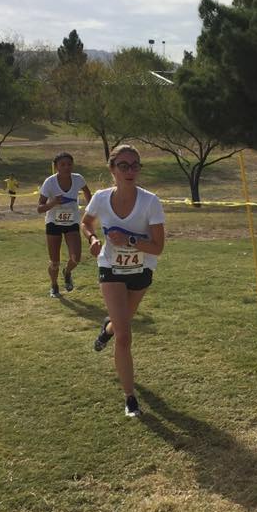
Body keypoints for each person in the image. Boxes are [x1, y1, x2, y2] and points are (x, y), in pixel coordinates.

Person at [81, 145, 165, 418]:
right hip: (111, 268)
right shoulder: (101, 198)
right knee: (125, 335)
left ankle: (107, 331)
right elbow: (86, 222)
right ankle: (130, 397)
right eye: (123, 166)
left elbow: (158, 247)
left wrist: (128, 240)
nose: (130, 171)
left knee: (121, 323)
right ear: (112, 169)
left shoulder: (150, 202)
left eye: (135, 165)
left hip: (141, 270)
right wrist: (93, 239)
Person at [38, 153, 92, 297]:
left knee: (76, 258)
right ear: (56, 167)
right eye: (63, 165)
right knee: (54, 262)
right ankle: (54, 285)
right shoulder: (49, 182)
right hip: (53, 223)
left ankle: (67, 272)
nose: (67, 167)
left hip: (71, 222)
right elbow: (39, 208)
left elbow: (88, 194)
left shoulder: (78, 179)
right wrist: (53, 202)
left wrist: (91, 208)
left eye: (69, 164)